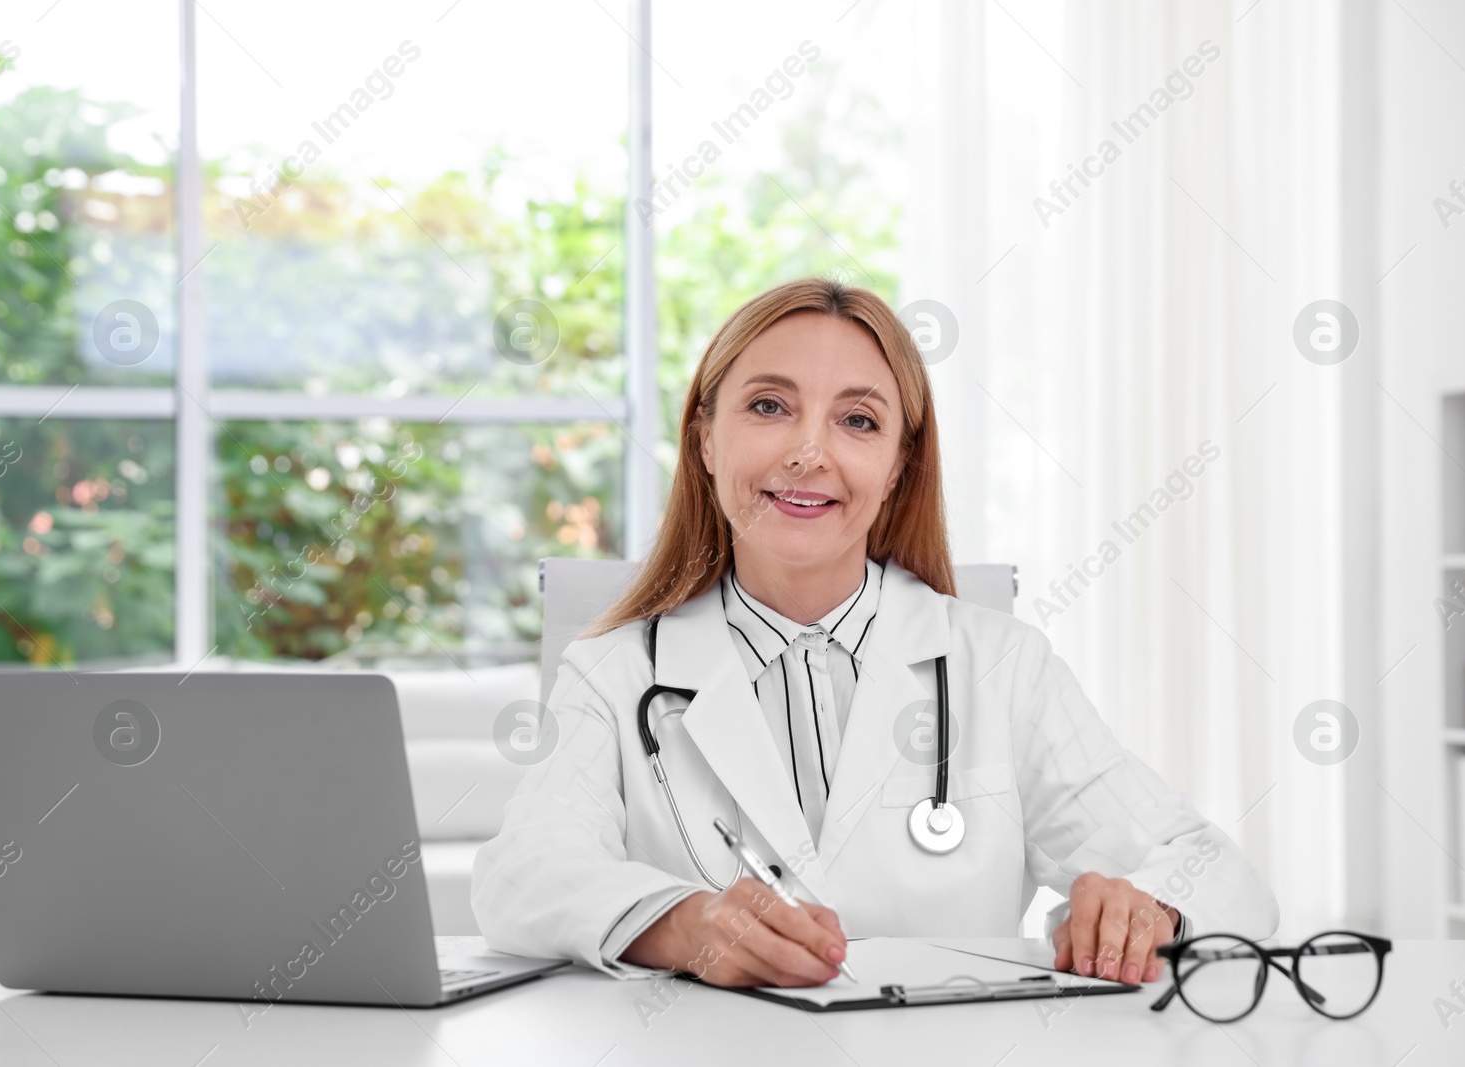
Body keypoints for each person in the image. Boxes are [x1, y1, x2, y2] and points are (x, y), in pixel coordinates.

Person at [472, 277, 1277, 989]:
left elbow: (1217, 869)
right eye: (769, 406)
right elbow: (520, 877)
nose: (809, 452)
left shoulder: (1000, 667)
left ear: (897, 466)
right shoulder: (614, 674)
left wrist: (1148, 909)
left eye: (857, 420)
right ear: (705, 438)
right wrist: (684, 925)